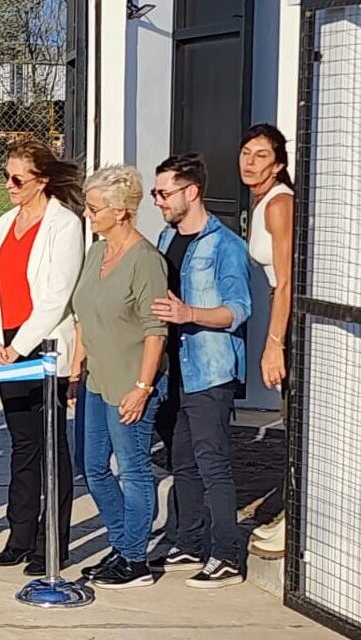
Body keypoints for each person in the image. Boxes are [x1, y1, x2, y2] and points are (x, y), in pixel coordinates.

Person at [148, 154, 251, 589]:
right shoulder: (166, 238)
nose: (158, 201)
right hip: (174, 371)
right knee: (182, 461)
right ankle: (189, 541)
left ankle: (226, 555)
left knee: (212, 464)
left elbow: (238, 310)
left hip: (209, 371)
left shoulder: (225, 246)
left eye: (164, 193)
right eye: (155, 193)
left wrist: (189, 313)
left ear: (191, 192)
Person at [0, 140, 84, 576]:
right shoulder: (6, 222)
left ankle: (52, 544)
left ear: (41, 181)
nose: (9, 185)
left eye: (17, 179)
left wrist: (18, 348)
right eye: (5, 176)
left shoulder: (65, 225)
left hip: (42, 346)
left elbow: (57, 296)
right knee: (22, 444)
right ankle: (19, 536)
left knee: (51, 447)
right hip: (7, 344)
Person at [70, 166, 169, 589]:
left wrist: (142, 388)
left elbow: (155, 330)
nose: (88, 215)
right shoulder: (97, 253)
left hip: (130, 383)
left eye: (94, 209)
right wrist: (76, 369)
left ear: (120, 212)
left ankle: (134, 559)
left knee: (132, 469)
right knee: (92, 466)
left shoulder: (145, 261)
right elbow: (83, 316)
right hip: (95, 381)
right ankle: (122, 542)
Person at [239, 124, 294, 560]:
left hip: (293, 321)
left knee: (296, 421)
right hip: (280, 308)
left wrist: (275, 341)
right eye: (246, 152)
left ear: (277, 165)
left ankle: (296, 523)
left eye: (261, 155)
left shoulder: (279, 205)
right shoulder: (259, 202)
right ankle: (290, 514)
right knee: (290, 418)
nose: (250, 161)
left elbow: (289, 278)